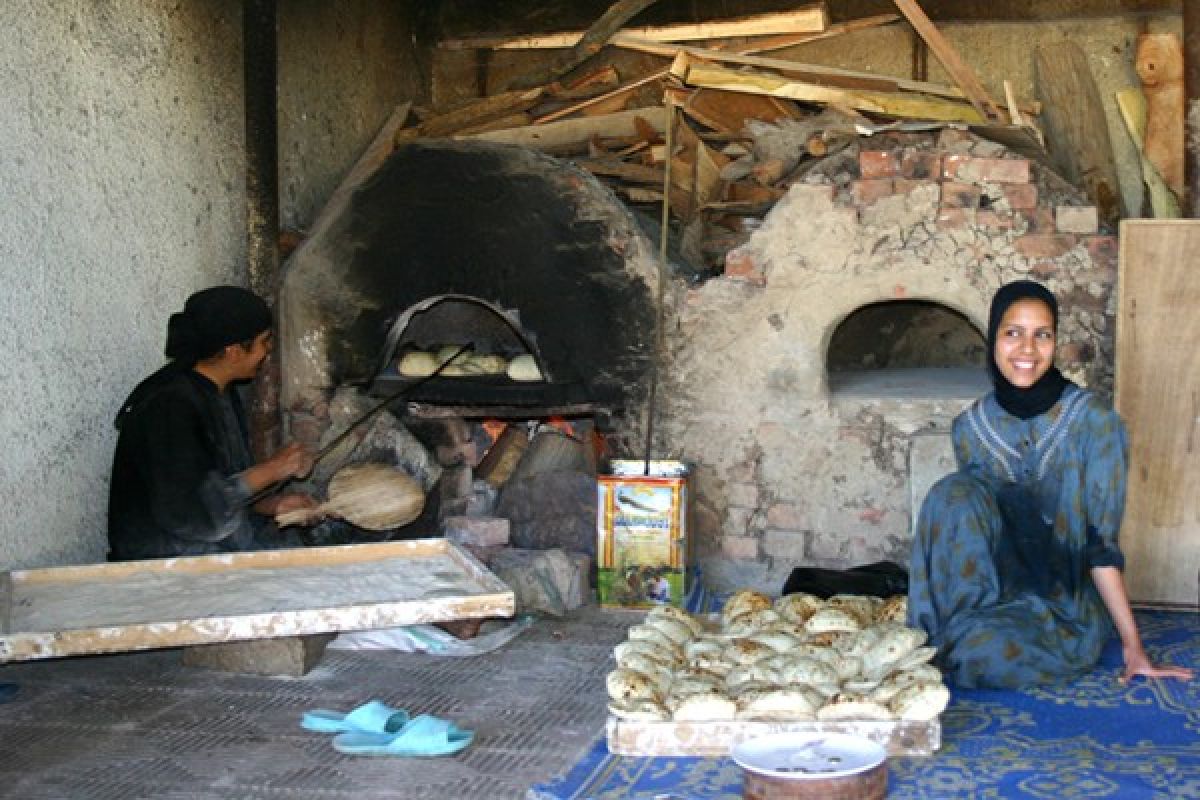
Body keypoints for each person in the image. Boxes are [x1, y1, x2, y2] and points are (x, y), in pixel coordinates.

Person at [908, 280, 1193, 689]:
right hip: (994, 593)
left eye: (1042, 335)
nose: (1027, 350)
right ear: (992, 339)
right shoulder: (970, 428)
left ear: (1055, 342)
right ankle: (958, 627)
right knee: (951, 494)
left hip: (1063, 606)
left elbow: (1101, 545)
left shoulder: (1096, 423)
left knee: (984, 651)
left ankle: (956, 641)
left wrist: (1133, 646)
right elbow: (970, 532)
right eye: (1013, 333)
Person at [108, 286, 318, 561]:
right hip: (166, 566)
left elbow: (225, 486)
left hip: (211, 550)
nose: (268, 351)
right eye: (264, 341)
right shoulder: (169, 407)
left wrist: (272, 505)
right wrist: (273, 469)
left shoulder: (220, 391)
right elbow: (196, 515)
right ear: (233, 351)